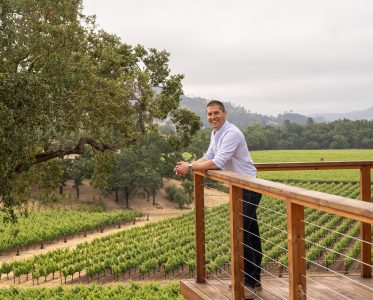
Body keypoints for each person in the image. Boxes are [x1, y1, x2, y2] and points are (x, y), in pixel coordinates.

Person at [174, 100, 262, 298]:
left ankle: (250, 281)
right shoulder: (216, 133)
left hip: (249, 188)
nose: (212, 117)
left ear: (225, 113)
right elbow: (209, 155)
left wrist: (189, 167)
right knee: (249, 232)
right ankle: (253, 280)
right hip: (239, 188)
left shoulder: (231, 133)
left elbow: (218, 162)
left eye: (216, 113)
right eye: (209, 114)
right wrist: (189, 163)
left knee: (241, 231)